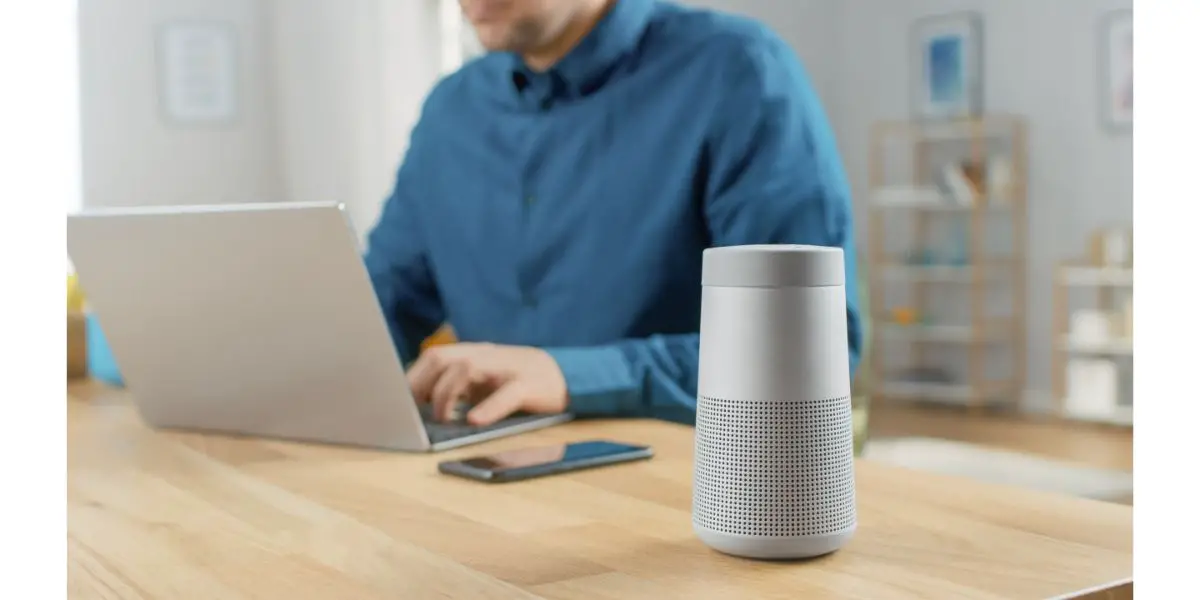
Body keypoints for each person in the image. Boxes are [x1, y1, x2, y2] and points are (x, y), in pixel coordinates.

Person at [364, 0, 861, 427]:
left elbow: (811, 343)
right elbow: (382, 305)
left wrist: (571, 377)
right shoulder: (451, 111)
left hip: (695, 492)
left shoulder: (739, 73)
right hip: (486, 474)